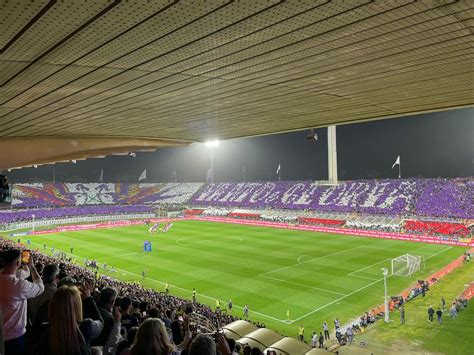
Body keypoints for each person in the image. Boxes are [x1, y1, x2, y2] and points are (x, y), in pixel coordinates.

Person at [0, 249, 44, 355]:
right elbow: (40, 287)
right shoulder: (19, 285)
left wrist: (26, 267)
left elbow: (23, 273)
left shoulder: (5, 276)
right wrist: (32, 267)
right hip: (14, 336)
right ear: (18, 263)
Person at [38, 284, 104, 355]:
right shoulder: (86, 327)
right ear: (78, 306)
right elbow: (100, 322)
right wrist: (88, 299)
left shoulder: (43, 329)